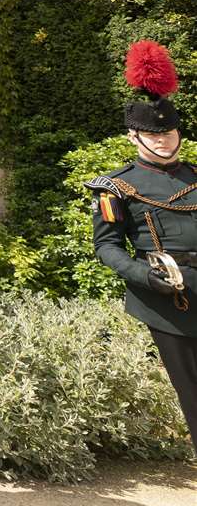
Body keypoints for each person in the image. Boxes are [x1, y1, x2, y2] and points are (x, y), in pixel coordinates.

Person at [88, 40, 197, 449]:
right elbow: (108, 248)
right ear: (135, 136)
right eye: (154, 134)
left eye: (169, 131)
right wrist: (146, 277)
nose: (165, 140)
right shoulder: (115, 186)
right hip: (170, 300)